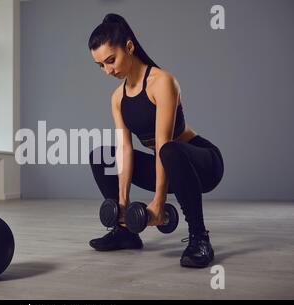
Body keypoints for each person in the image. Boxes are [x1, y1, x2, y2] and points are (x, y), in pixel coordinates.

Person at [88, 13, 224, 268]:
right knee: (100, 156)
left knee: (169, 150)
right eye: (100, 65)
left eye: (111, 60)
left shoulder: (162, 82)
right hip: (168, 166)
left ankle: (199, 238)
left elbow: (163, 143)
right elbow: (125, 149)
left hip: (202, 163)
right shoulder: (118, 98)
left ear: (129, 47)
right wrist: (123, 202)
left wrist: (159, 203)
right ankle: (125, 232)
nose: (108, 71)